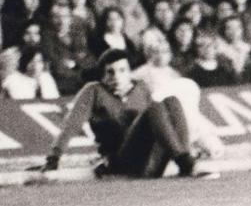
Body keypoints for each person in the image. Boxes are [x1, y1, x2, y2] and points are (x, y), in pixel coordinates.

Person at [28, 48, 216, 179]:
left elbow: (162, 125)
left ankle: (185, 160)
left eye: (122, 71)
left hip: (150, 163)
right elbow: (72, 124)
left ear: (129, 72)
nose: (116, 77)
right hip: (122, 162)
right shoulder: (94, 90)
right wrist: (53, 158)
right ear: (102, 74)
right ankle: (186, 163)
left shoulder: (140, 87)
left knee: (172, 101)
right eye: (110, 72)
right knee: (155, 108)